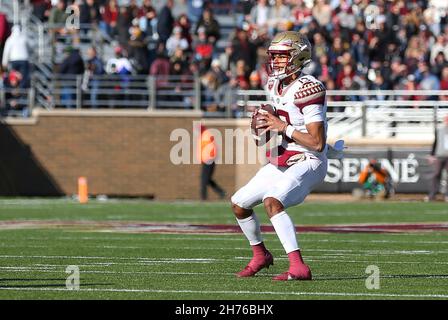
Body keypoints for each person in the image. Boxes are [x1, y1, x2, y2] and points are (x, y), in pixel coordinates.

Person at [230, 31, 329, 281]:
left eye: (282, 57)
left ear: (299, 57)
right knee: (239, 204)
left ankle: (298, 266)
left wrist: (281, 127)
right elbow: (276, 119)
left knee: (272, 202)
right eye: (273, 56)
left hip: (309, 160)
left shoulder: (309, 88)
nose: (275, 62)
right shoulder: (274, 84)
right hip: (283, 157)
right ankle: (261, 255)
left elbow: (317, 143)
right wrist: (263, 125)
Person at [197, 124, 226, 200]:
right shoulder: (204, 135)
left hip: (208, 161)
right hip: (207, 160)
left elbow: (211, 147)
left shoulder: (206, 135)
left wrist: (210, 157)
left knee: (204, 180)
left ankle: (203, 198)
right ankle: (221, 192)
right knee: (207, 179)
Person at [426, 115, 448, 202]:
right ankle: (432, 195)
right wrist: (432, 155)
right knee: (436, 174)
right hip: (439, 156)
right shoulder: (439, 130)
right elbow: (435, 143)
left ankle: (447, 195)